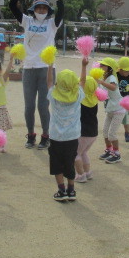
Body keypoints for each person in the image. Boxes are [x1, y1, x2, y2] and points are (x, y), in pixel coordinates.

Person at [9, 0, 64, 149]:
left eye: (44, 8)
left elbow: (62, 9)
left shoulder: (52, 23)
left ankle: (46, 136)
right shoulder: (27, 20)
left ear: (48, 10)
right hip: (29, 68)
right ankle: (31, 135)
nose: (41, 10)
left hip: (47, 69)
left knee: (43, 105)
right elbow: (12, 5)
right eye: (38, 7)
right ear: (34, 9)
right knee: (29, 106)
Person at [46, 59, 85, 201]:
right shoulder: (77, 95)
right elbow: (83, 83)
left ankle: (61, 191)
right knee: (70, 163)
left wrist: (50, 66)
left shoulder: (53, 96)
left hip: (56, 137)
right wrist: (83, 66)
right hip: (72, 137)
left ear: (59, 84)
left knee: (56, 163)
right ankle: (71, 190)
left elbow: (49, 83)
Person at [96, 57, 124, 164]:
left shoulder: (112, 77)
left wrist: (101, 82)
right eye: (100, 65)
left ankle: (117, 154)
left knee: (112, 134)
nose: (100, 66)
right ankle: (109, 150)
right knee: (105, 132)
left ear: (109, 68)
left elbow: (113, 87)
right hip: (110, 110)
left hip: (118, 110)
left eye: (103, 65)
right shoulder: (102, 77)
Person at [74, 59, 98, 183]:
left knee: (75, 154)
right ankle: (88, 173)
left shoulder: (81, 100)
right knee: (83, 153)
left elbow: (82, 82)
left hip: (83, 133)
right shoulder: (94, 99)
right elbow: (85, 83)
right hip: (93, 133)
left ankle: (80, 175)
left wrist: (83, 66)